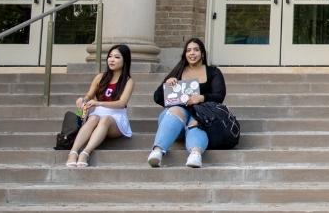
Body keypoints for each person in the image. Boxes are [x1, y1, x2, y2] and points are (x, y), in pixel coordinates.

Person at [147, 37, 226, 168]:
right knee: (175, 110)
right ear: (185, 54)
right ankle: (158, 151)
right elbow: (157, 97)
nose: (192, 53)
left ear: (202, 53)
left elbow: (219, 96)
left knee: (196, 121)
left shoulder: (213, 72)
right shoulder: (178, 71)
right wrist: (167, 86)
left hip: (201, 115)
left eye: (196, 50)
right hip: (175, 121)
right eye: (188, 50)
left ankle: (195, 154)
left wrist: (202, 98)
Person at [65, 43, 134, 167]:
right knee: (93, 118)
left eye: (117, 57)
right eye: (110, 56)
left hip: (116, 118)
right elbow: (89, 95)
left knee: (105, 119)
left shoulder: (128, 81)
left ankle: (85, 153)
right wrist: (83, 100)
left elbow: (122, 103)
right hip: (97, 115)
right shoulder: (100, 77)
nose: (112, 60)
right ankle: (73, 152)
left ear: (125, 60)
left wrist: (98, 103)